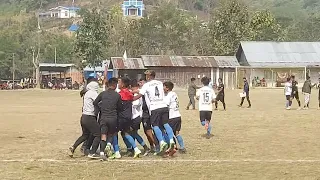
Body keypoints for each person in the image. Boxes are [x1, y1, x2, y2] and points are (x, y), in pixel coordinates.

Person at [133, 70, 176, 155]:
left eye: (146, 76)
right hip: (163, 106)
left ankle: (162, 142)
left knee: (155, 126)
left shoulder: (146, 85)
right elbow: (165, 91)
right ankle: (171, 140)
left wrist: (131, 98)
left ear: (148, 76)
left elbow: (140, 95)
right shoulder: (160, 83)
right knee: (166, 124)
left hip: (154, 107)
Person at [68, 81, 101, 159]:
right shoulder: (93, 93)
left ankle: (73, 147)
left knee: (85, 135)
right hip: (90, 117)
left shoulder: (86, 93)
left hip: (84, 117)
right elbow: (99, 102)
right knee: (98, 134)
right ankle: (92, 152)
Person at [93, 78, 123, 161]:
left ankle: (102, 152)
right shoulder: (117, 95)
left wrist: (101, 107)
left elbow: (95, 102)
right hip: (113, 118)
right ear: (115, 85)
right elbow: (120, 107)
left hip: (103, 117)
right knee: (112, 134)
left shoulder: (103, 94)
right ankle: (109, 145)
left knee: (103, 135)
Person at [118, 77, 142, 158]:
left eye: (119, 82)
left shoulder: (120, 94)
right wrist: (141, 93)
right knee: (125, 133)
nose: (118, 84)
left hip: (122, 116)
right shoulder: (128, 93)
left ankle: (133, 149)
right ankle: (132, 149)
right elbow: (133, 98)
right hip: (129, 116)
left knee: (114, 133)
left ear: (123, 84)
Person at [164, 81, 186, 153]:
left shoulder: (168, 95)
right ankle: (182, 147)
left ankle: (173, 147)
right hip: (178, 116)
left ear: (167, 88)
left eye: (163, 86)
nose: (162, 88)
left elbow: (166, 106)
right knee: (176, 133)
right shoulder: (174, 94)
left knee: (168, 133)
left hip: (172, 117)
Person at [130, 79, 150, 156]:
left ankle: (144, 147)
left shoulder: (136, 94)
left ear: (131, 87)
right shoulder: (138, 93)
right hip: (135, 116)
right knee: (133, 133)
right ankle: (133, 148)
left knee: (131, 133)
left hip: (136, 117)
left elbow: (135, 104)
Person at [139, 78, 158, 154]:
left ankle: (157, 146)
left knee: (149, 131)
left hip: (147, 113)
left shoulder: (146, 91)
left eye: (141, 82)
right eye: (139, 82)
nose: (140, 84)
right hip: (144, 113)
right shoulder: (142, 90)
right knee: (146, 131)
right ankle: (152, 146)